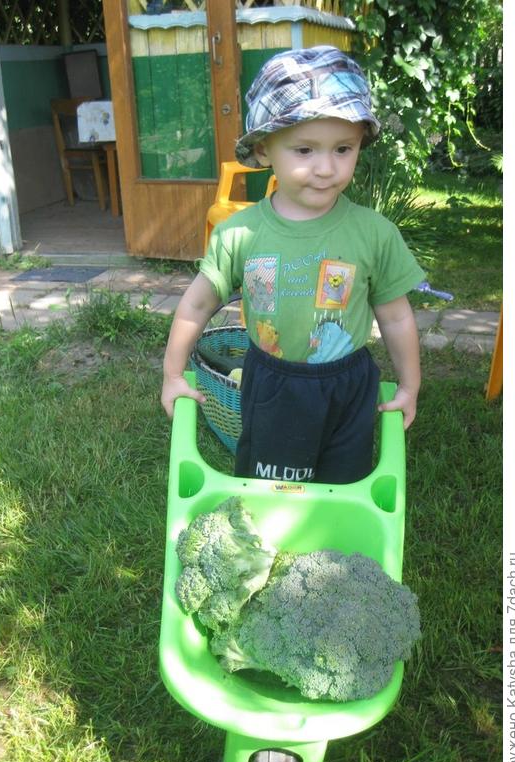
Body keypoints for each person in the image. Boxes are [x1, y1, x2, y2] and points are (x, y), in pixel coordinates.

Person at [161, 45, 425, 484]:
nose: (326, 167)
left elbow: (396, 316)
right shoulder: (239, 234)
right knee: (271, 489)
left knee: (343, 486)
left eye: (343, 148)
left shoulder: (374, 233)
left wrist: (410, 385)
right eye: (304, 150)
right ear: (265, 150)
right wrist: (173, 374)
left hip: (348, 385)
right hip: (273, 385)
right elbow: (195, 306)